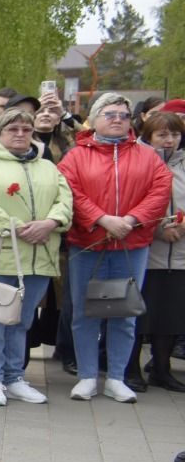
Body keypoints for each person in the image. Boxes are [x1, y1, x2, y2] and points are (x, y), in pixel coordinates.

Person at [58, 92, 173, 402]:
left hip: (132, 245)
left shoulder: (147, 155)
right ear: (94, 119)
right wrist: (102, 219)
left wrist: (132, 219)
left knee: (124, 312)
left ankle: (117, 377)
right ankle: (86, 377)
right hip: (89, 243)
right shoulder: (76, 155)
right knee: (85, 312)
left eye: (123, 114)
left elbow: (160, 191)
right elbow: (70, 191)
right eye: (110, 114)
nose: (118, 119)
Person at [0, 107, 72, 406]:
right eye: (13, 129)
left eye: (26, 129)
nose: (21, 134)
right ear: (0, 133)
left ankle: (14, 377)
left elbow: (65, 202)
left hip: (38, 257)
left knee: (22, 321)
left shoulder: (48, 166)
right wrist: (19, 229)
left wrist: (50, 223)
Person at [133, 111, 185, 391]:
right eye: (163, 134)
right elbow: (132, 203)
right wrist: (157, 230)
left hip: (178, 254)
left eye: (175, 134)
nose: (169, 141)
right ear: (149, 136)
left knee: (170, 315)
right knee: (140, 313)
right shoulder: (140, 162)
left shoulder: (183, 164)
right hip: (146, 250)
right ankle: (130, 369)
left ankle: (162, 369)